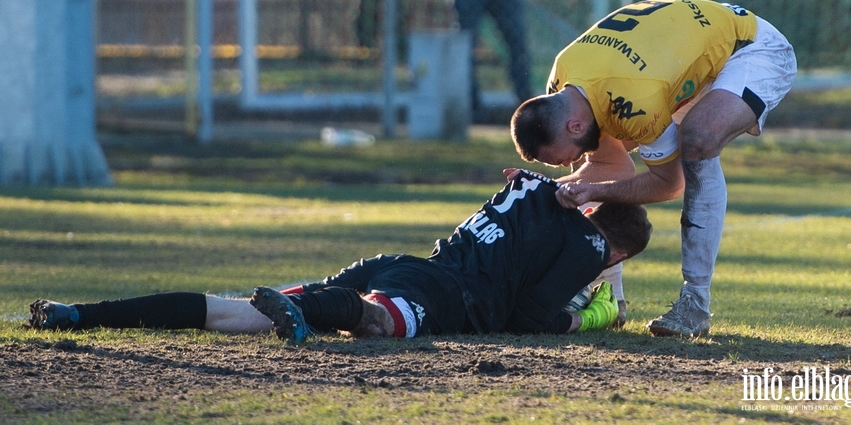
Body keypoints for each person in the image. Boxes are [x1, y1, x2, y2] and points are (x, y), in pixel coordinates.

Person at [29, 171, 652, 342]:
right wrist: (590, 316)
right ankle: (315, 312)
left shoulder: (538, 191)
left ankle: (80, 313)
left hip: (405, 263)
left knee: (234, 315)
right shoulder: (592, 242)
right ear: (617, 246)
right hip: (442, 295)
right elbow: (532, 317)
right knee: (377, 320)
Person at [510, 0, 797, 337]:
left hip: (750, 47)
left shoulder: (635, 101)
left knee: (698, 142)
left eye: (559, 159)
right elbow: (609, 165)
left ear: (574, 126)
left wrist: (590, 189)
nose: (567, 164)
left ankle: (695, 301)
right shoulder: (563, 84)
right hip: (679, 63)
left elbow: (669, 183)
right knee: (588, 176)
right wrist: (544, 189)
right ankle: (610, 298)